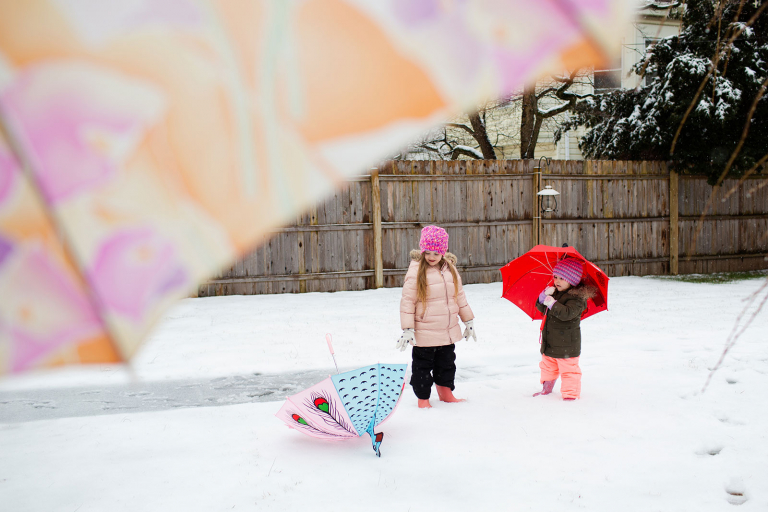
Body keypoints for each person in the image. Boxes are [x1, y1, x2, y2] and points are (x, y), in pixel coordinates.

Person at [396, 225, 476, 409]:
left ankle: (446, 392)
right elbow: (407, 301)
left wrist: (468, 320)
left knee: (447, 364)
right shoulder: (416, 271)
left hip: (447, 331)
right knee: (422, 368)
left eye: (437, 253)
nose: (432, 257)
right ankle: (423, 399)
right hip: (424, 333)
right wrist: (408, 329)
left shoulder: (450, 269)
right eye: (428, 252)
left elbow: (460, 297)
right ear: (423, 250)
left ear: (443, 252)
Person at [533, 257, 594, 401]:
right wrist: (542, 299)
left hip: (567, 345)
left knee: (569, 371)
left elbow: (566, 314)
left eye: (562, 278)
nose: (557, 281)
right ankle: (546, 389)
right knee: (547, 367)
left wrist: (551, 302)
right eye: (555, 277)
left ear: (572, 280)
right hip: (551, 342)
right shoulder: (555, 292)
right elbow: (546, 310)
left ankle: (570, 395)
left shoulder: (577, 298)